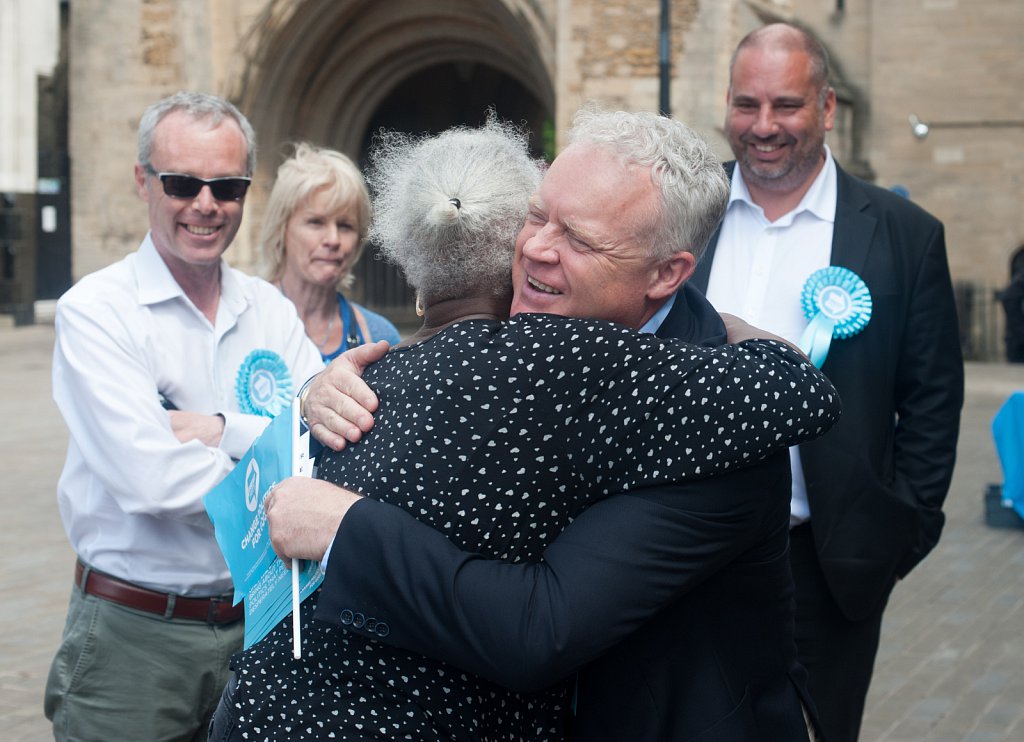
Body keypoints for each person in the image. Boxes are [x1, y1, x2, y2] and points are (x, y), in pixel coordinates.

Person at [210, 117, 840, 740]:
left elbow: (539, 630)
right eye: (536, 216)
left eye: (581, 240)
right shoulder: (516, 352)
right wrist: (325, 390)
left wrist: (344, 527)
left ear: (666, 274)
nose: (537, 248)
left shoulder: (720, 419)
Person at [687, 23, 965, 741]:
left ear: (828, 107)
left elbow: (932, 398)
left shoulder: (903, 234)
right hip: (682, 546)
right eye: (746, 105)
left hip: (829, 562)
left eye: (787, 105)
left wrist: (903, 528)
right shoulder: (684, 211)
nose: (764, 126)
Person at [43, 91, 324, 741]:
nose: (206, 204)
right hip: (134, 639)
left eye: (227, 186)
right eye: (182, 183)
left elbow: (320, 445)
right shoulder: (97, 312)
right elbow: (152, 480)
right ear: (143, 181)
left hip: (258, 627)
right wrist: (286, 478)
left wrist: (223, 428)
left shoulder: (271, 311)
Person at [260, 142, 401, 362]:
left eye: (345, 226)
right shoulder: (246, 317)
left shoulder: (379, 336)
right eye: (316, 222)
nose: (333, 240)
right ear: (281, 228)